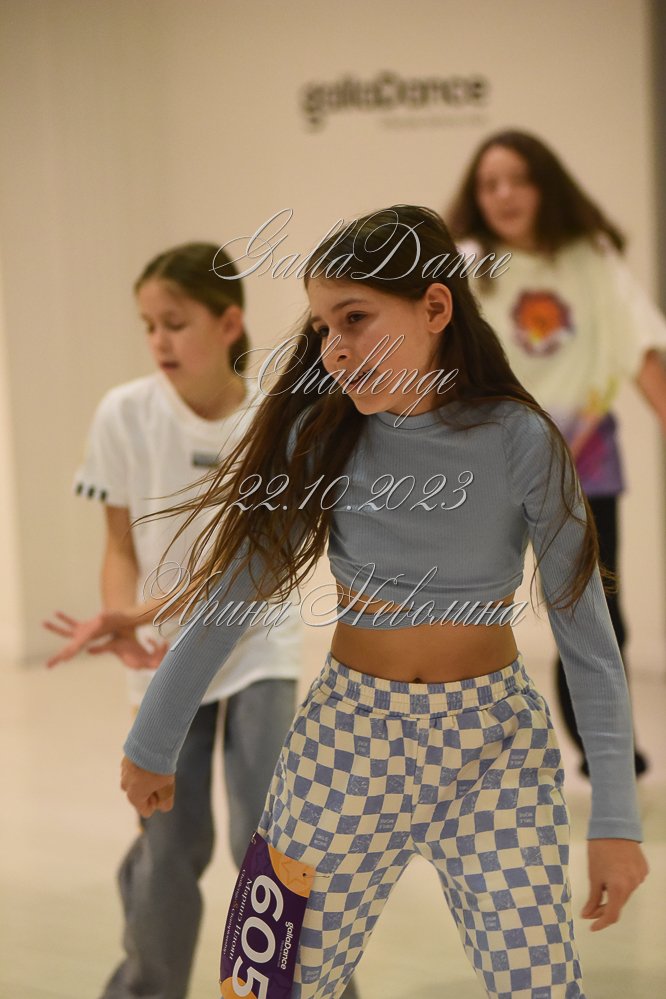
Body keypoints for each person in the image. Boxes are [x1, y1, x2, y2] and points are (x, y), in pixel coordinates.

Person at [88, 207, 646, 999]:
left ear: (435, 306)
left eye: (354, 318)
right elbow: (231, 598)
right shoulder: (322, 437)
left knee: (539, 985)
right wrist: (154, 736)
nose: (334, 348)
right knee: (264, 983)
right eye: (322, 327)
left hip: (495, 752)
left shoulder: (522, 439)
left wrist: (616, 817)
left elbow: (588, 641)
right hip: (345, 741)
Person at [42, 243, 336, 999]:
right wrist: (127, 623)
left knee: (265, 838)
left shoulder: (275, 415)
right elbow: (118, 544)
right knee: (172, 843)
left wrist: (140, 612)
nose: (158, 341)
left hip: (259, 643)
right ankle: (145, 986)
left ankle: (315, 988)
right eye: (148, 325)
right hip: (165, 653)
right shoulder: (123, 413)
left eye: (174, 323)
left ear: (228, 321)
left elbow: (252, 564)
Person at [447, 130, 666, 776]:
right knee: (468, 611)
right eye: (489, 184)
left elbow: (640, 345)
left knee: (594, 614)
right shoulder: (466, 264)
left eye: (518, 179)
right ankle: (465, 758)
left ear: (546, 185)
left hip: (583, 464)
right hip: (490, 465)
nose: (504, 195)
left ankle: (609, 755)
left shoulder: (589, 257)